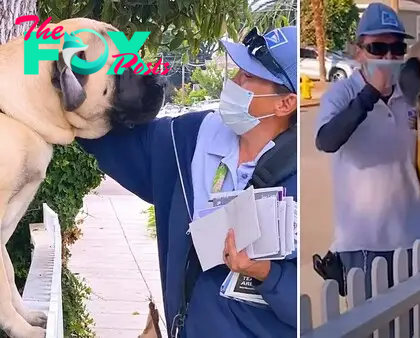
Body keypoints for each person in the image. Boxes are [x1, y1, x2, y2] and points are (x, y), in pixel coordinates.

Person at [78, 26, 298, 338]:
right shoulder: (187, 141)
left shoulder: (304, 178)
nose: (232, 82)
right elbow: (96, 129)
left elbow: (314, 304)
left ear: (285, 104)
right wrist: (36, 58)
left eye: (248, 77)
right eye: (238, 70)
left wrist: (265, 273)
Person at [314, 2, 420, 333]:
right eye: (378, 48)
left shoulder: (412, 97)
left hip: (413, 237)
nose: (389, 57)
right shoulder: (341, 93)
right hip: (363, 243)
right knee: (374, 330)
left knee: (410, 329)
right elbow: (326, 140)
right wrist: (368, 95)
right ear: (359, 51)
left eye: (397, 49)